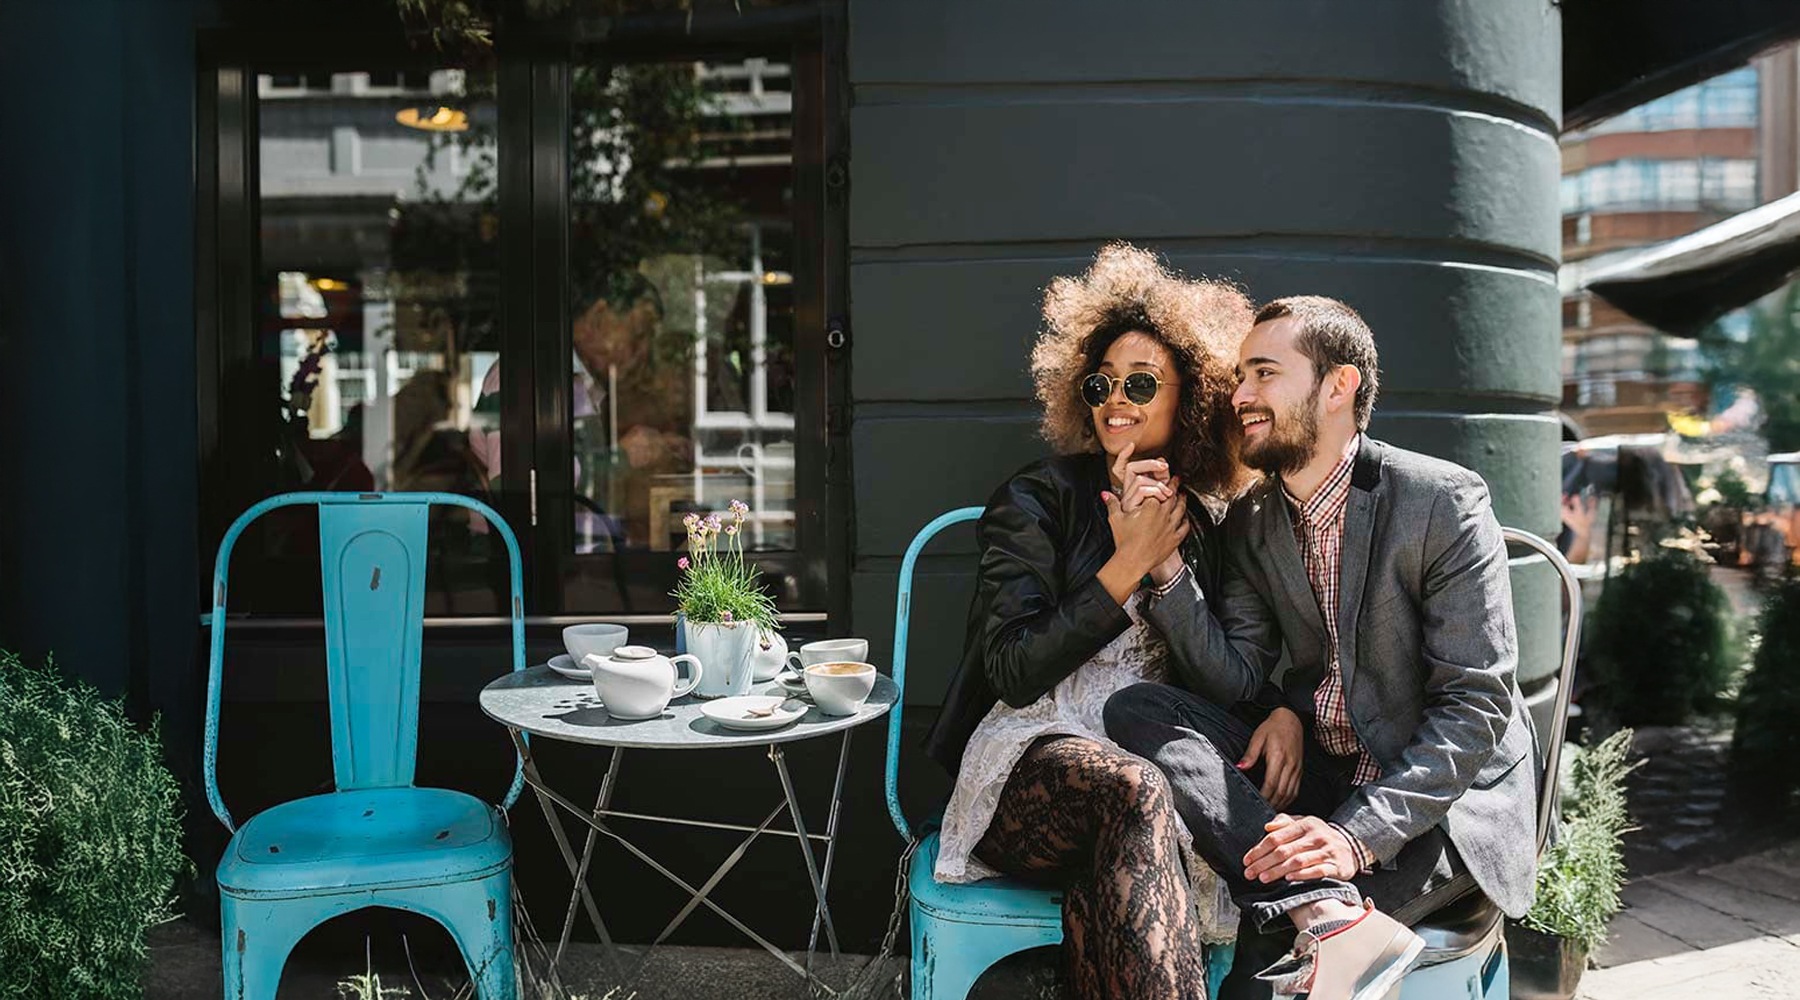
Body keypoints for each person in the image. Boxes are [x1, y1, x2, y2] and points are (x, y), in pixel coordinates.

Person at [1104, 296, 1538, 1000]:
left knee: (1269, 968)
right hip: (1324, 773)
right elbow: (1236, 677)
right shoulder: (1253, 518)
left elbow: (1475, 707)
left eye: (1265, 373)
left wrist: (1357, 836)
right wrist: (1163, 567)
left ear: (1339, 387)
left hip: (1434, 803)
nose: (1240, 395)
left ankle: (1312, 905)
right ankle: (1325, 905)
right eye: (1241, 375)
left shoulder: (1441, 501)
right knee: (1139, 708)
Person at [922, 243, 1285, 998]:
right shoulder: (1036, 500)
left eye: (1143, 383)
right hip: (1030, 764)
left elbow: (1229, 684)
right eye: (1101, 381)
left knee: (1126, 837)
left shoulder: (1215, 530)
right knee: (1134, 791)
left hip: (1148, 763)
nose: (1116, 398)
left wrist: (1166, 567)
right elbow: (1013, 672)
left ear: (1191, 396)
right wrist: (1124, 564)